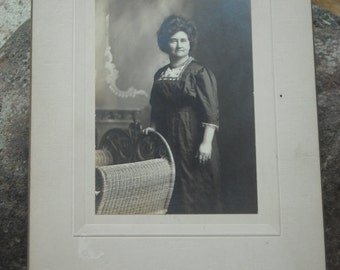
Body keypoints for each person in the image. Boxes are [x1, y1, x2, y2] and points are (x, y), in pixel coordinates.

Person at [147, 15, 221, 214]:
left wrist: (206, 143)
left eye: (183, 40)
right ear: (166, 43)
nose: (179, 45)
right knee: (171, 184)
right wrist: (152, 132)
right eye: (173, 40)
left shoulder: (199, 72)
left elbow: (211, 111)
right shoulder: (160, 74)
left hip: (192, 137)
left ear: (190, 43)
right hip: (167, 137)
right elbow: (157, 108)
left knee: (194, 185)